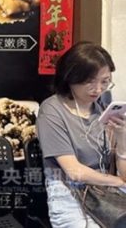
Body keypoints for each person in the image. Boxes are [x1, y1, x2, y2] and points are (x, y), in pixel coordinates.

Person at [36, 42, 126, 228]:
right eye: (90, 81)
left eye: (105, 81)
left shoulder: (103, 106)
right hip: (70, 194)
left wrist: (121, 136)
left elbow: (123, 172)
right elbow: (75, 172)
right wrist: (118, 181)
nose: (98, 89)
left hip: (106, 190)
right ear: (71, 77)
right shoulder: (52, 110)